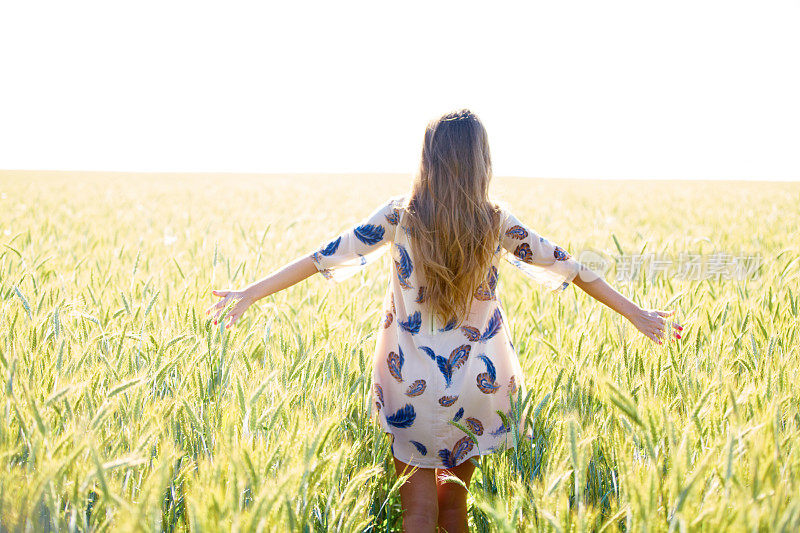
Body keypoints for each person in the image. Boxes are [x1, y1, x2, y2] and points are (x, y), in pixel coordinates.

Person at [205, 108, 682, 532]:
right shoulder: (495, 221)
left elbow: (321, 257)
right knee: (455, 513)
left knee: (417, 514)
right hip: (476, 383)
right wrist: (637, 313)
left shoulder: (400, 214)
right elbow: (571, 267)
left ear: (427, 159)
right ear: (482, 162)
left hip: (407, 380)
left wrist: (250, 293)